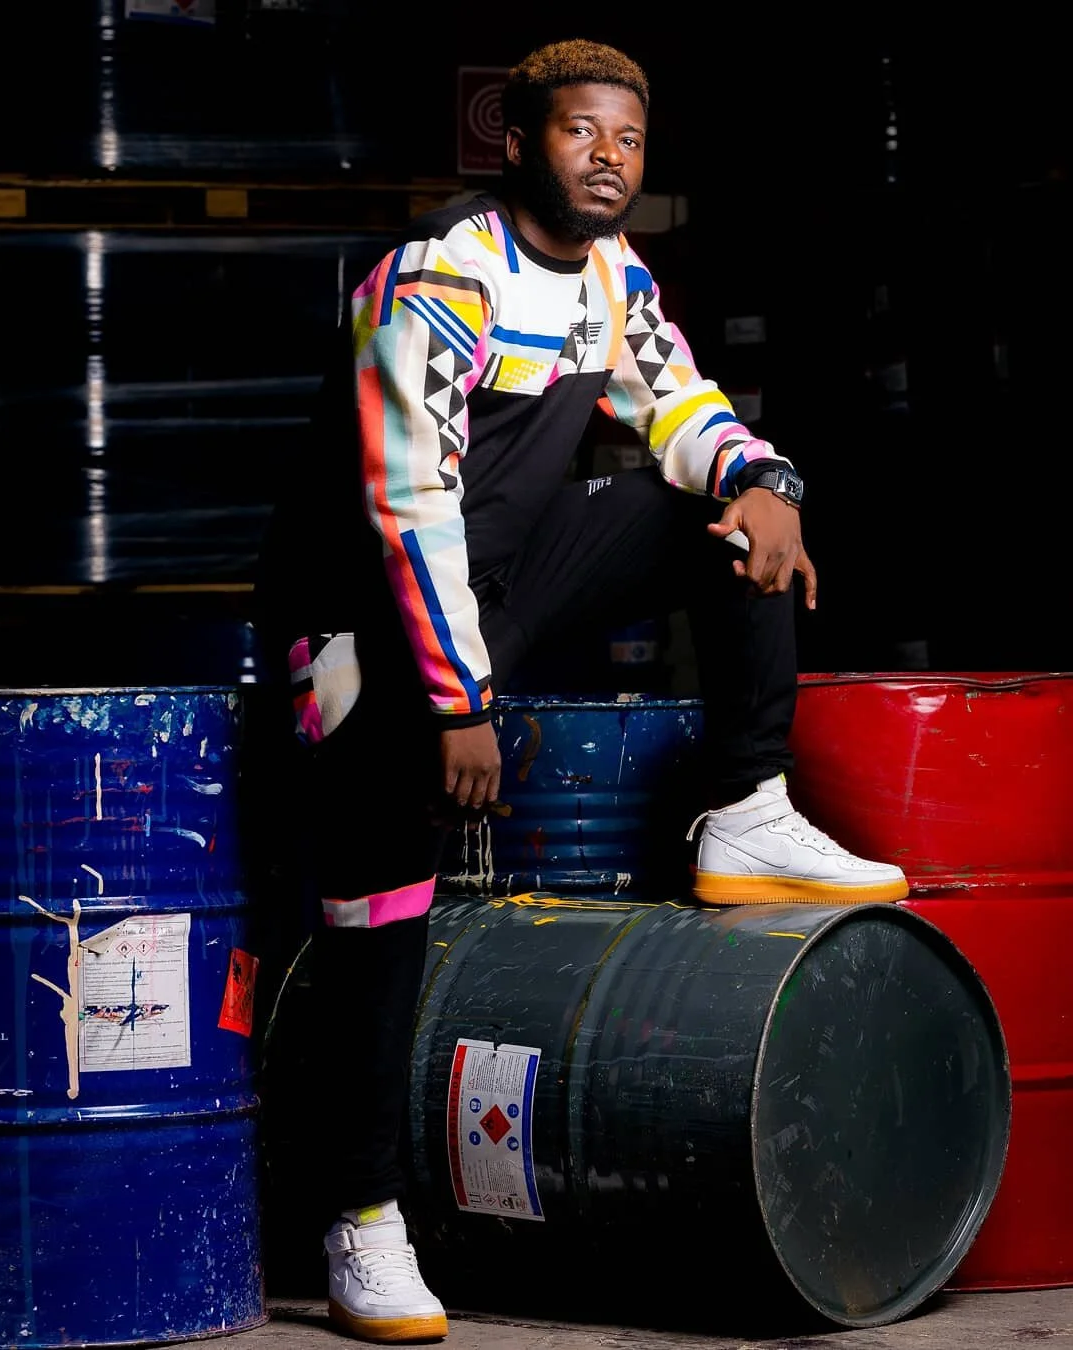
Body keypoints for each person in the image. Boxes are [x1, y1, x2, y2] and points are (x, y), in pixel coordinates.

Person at [252, 37, 908, 1344]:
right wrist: (457, 704)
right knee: (380, 903)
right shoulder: (441, 277)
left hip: (497, 583)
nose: (608, 159)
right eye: (580, 134)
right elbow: (408, 507)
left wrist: (769, 485)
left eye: (629, 140)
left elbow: (685, 407)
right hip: (364, 630)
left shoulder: (612, 276)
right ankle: (360, 1218)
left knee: (721, 509)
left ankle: (743, 806)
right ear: (517, 141)